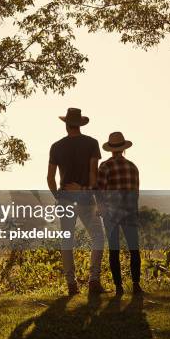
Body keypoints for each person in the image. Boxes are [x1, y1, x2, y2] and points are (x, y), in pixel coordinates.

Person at [47, 107, 105, 296]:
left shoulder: (56, 146)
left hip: (65, 198)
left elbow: (50, 177)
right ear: (80, 124)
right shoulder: (92, 144)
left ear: (66, 124)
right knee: (97, 237)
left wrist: (58, 196)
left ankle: (71, 285)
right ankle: (94, 280)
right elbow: (93, 175)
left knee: (67, 240)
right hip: (86, 198)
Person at [97, 132, 143, 296]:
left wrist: (101, 208)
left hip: (112, 214)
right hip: (130, 212)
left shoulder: (105, 166)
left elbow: (99, 191)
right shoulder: (133, 167)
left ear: (111, 149)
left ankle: (119, 287)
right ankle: (136, 285)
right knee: (134, 249)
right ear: (124, 149)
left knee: (114, 250)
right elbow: (136, 193)